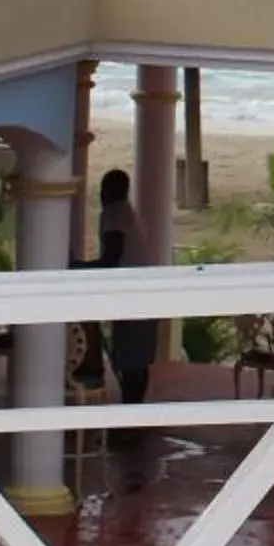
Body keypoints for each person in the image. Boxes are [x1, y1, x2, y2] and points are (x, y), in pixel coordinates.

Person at [92, 169, 154, 407]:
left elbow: (111, 257)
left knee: (131, 363)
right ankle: (133, 413)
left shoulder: (115, 214)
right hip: (142, 294)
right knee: (136, 363)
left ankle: (130, 417)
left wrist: (79, 268)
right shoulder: (129, 214)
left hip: (132, 296)